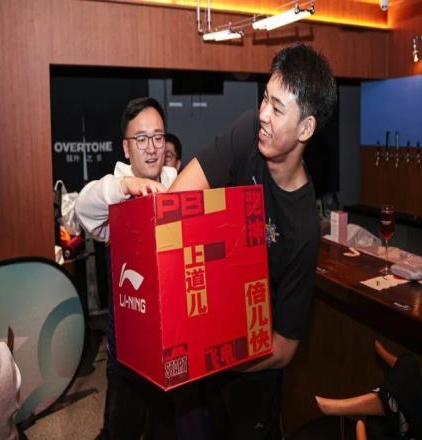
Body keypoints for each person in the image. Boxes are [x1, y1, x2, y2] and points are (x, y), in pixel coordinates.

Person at [168, 43, 337, 439]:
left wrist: (218, 359)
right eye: (264, 98)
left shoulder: (302, 229)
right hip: (210, 338)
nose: (262, 114)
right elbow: (178, 199)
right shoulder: (248, 132)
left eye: (277, 109)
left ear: (306, 128)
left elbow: (285, 348)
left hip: (252, 376)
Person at [75, 97, 177, 439]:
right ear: (126, 147)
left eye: (158, 137)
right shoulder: (113, 195)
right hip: (127, 355)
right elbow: (84, 206)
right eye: (141, 139)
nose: (152, 148)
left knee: (167, 429)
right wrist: (126, 186)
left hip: (171, 349)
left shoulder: (176, 184)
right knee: (122, 428)